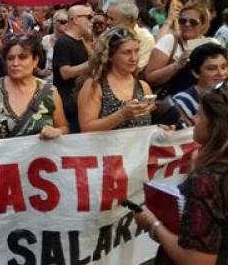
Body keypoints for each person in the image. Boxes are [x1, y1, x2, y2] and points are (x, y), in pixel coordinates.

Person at [134, 83, 228, 265]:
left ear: (216, 125)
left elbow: (198, 261)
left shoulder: (207, 181)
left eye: (200, 114)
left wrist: (153, 225)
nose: (193, 118)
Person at [0, 34, 68, 141]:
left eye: (23, 57)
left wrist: (56, 131)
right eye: (10, 58)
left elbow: (63, 127)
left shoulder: (50, 92)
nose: (15, 63)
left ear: (35, 60)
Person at [78, 27, 154, 132]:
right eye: (126, 52)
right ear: (110, 56)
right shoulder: (95, 85)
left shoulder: (143, 87)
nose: (134, 58)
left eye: (136, 51)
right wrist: (121, 115)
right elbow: (86, 129)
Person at [145, 4, 221, 97]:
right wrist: (177, 65)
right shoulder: (169, 41)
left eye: (193, 22)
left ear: (203, 24)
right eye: (182, 21)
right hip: (175, 101)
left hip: (206, 99)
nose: (187, 24)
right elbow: (150, 78)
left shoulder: (212, 44)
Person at [52, 4, 93, 133]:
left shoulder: (81, 40)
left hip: (81, 99)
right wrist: (91, 64)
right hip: (68, 102)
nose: (91, 22)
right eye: (88, 17)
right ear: (75, 19)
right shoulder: (63, 42)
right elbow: (65, 73)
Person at [173, 43, 228, 127]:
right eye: (212, 69)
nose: (221, 73)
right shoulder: (182, 102)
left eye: (224, 67)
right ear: (195, 73)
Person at [106, 0, 155, 71]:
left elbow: (136, 69)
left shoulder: (146, 38)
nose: (107, 22)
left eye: (111, 19)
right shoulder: (107, 34)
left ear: (129, 21)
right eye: (107, 18)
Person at [41, 10, 69, 83]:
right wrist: (40, 72)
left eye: (68, 22)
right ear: (55, 22)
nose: (66, 24)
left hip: (65, 83)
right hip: (48, 82)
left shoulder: (71, 41)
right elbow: (33, 57)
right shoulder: (46, 39)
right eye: (63, 22)